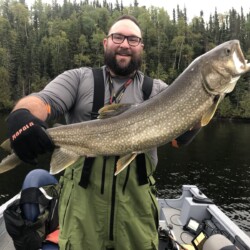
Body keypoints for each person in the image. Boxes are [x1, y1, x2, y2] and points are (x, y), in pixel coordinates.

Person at [6, 15, 200, 250]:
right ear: (105, 43)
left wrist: (201, 106)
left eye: (133, 39)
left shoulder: (158, 91)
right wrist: (22, 116)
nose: (125, 44)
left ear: (141, 47)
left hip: (136, 215)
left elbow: (180, 141)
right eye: (118, 37)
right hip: (81, 214)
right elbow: (43, 101)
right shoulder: (77, 79)